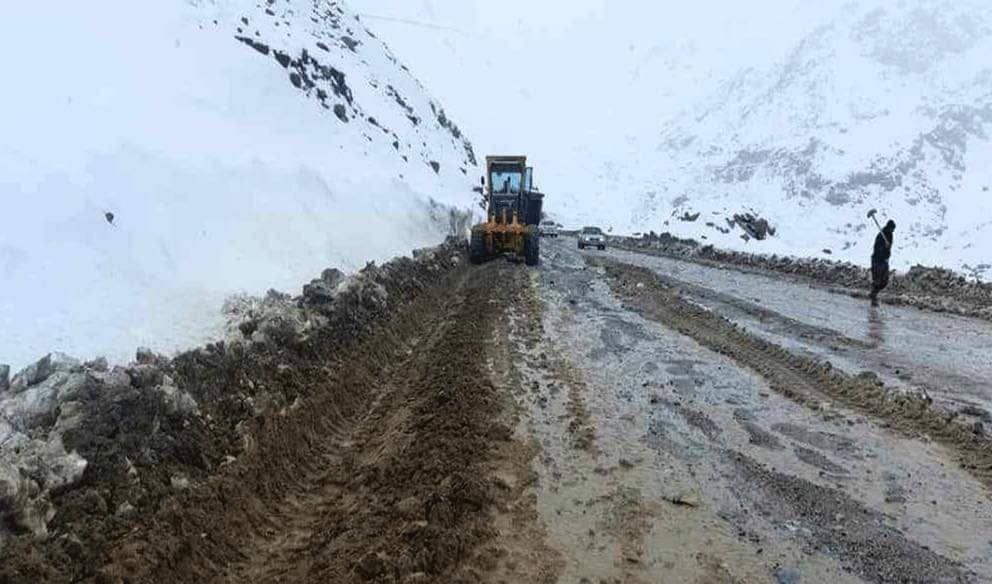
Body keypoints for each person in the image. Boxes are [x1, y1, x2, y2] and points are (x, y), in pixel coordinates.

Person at [869, 219, 896, 306]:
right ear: (889, 227)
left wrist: (888, 249)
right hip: (877, 260)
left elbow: (889, 247)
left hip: (884, 260)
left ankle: (874, 293)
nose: (893, 231)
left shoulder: (890, 235)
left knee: (885, 280)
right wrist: (884, 248)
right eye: (892, 229)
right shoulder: (881, 235)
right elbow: (876, 248)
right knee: (878, 279)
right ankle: (873, 296)